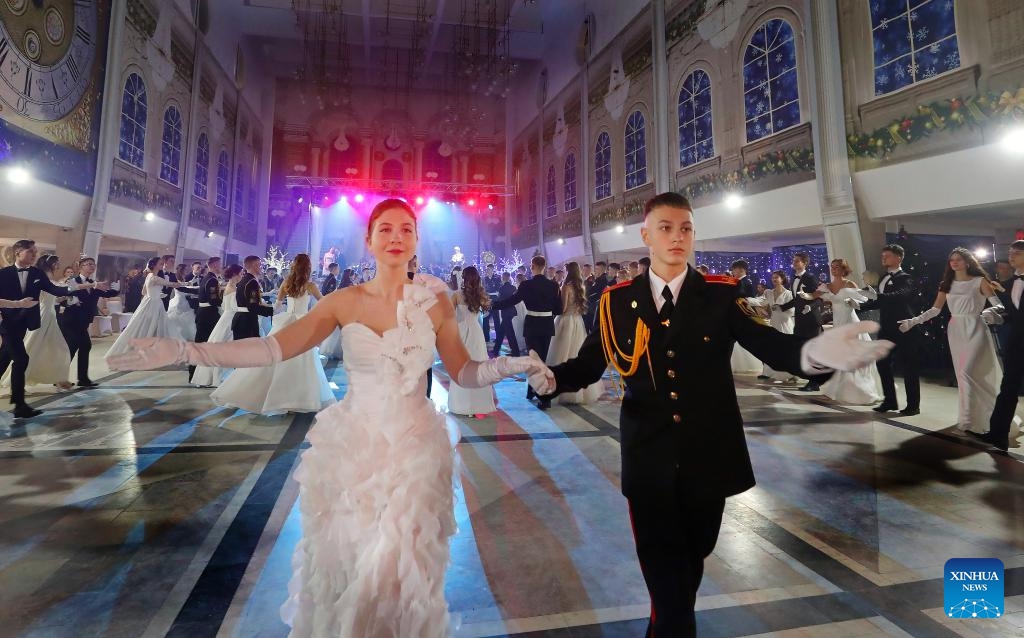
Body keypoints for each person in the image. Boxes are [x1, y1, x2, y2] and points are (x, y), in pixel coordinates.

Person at [107, 198, 551, 635]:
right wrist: (187, 349)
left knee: (402, 570)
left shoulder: (436, 304)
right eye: (386, 229)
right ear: (369, 240)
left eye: (406, 230)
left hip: (416, 450)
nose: (396, 237)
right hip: (353, 449)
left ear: (417, 240)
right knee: (347, 564)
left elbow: (464, 371)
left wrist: (513, 366)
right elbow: (272, 347)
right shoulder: (343, 301)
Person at [528, 192, 892, 637]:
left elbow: (768, 345)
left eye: (685, 228)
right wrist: (554, 378)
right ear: (646, 235)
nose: (677, 237)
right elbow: (589, 363)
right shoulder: (617, 302)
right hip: (649, 455)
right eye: (665, 227)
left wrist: (816, 353)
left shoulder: (720, 295)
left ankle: (671, 620)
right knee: (663, 564)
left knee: (694, 553)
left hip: (709, 453)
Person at [897, 248, 1004, 434]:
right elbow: (935, 310)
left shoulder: (980, 281)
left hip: (976, 327)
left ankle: (978, 420)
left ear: (968, 262)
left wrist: (989, 312)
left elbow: (999, 304)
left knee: (969, 373)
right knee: (964, 376)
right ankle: (971, 419)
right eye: (952, 260)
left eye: (959, 260)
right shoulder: (946, 284)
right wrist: (912, 321)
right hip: (955, 329)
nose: (954, 263)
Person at [212, 254, 334, 414]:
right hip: (302, 324)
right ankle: (298, 398)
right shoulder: (310, 285)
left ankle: (261, 394)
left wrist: (276, 311)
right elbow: (323, 302)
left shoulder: (286, 283)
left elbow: (277, 306)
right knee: (303, 362)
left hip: (285, 323)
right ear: (308, 267)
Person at [0, 240, 92, 418]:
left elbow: (56, 290)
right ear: (18, 252)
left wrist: (85, 285)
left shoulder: (37, 273)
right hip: (8, 324)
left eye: (35, 252)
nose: (34, 255)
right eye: (30, 251)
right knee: (21, 359)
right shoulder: (3, 274)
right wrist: (16, 304)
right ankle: (19, 405)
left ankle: (19, 403)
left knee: (4, 358)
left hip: (25, 324)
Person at [858, 244, 921, 416]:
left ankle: (913, 405)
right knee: (882, 363)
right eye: (883, 255)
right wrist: (859, 306)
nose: (883, 258)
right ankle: (890, 401)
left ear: (898, 258)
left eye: (887, 255)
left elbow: (901, 295)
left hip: (904, 326)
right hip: (886, 327)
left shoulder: (907, 277)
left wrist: (876, 296)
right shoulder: (884, 277)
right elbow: (881, 301)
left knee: (909, 367)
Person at [492, 254, 562, 409]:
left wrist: (492, 305)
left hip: (532, 325)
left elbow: (511, 301)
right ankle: (534, 391)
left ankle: (543, 397)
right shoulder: (554, 285)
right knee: (542, 359)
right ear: (544, 267)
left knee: (533, 360)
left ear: (532, 266)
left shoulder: (526, 285)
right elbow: (559, 308)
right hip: (547, 325)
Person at [812, 259, 882, 405]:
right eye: (832, 267)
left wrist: (853, 302)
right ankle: (837, 390)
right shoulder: (828, 286)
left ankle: (862, 391)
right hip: (838, 324)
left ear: (843, 269)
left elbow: (864, 300)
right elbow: (815, 296)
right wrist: (809, 296)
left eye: (836, 267)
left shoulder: (849, 284)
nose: (833, 270)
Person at [1, 254, 75, 390]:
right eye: (57, 262)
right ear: (51, 264)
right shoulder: (40, 276)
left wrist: (62, 297)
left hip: (51, 315)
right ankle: (15, 382)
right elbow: (41, 297)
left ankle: (59, 378)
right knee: (31, 347)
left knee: (58, 348)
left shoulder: (49, 276)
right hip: (41, 314)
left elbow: (52, 297)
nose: (59, 265)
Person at [976, 240, 1024, 451]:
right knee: (1008, 388)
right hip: (1017, 341)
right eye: (1010, 252)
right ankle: (998, 434)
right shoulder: (1012, 282)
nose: (1011, 256)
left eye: (1016, 253)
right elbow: (1014, 313)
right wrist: (997, 316)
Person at [104, 257, 182, 360]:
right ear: (154, 265)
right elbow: (173, 284)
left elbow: (143, 292)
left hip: (148, 302)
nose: (162, 265)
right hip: (155, 304)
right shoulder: (155, 278)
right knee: (154, 326)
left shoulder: (149, 276)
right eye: (160, 263)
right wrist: (186, 284)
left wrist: (154, 294)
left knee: (145, 326)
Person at [546, 262, 603, 404]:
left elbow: (563, 309)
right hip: (577, 321)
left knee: (561, 354)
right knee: (576, 353)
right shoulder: (581, 286)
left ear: (568, 271)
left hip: (565, 321)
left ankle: (559, 387)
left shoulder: (567, 286)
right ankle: (577, 390)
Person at [63, 256, 120, 387]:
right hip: (71, 321)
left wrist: (117, 289)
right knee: (72, 348)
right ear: (80, 267)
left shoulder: (93, 283)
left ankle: (82, 379)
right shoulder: (73, 280)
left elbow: (106, 293)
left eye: (93, 264)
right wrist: (72, 302)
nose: (92, 266)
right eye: (88, 264)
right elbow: (68, 295)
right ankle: (61, 378)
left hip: (84, 321)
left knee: (83, 346)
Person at [447, 266, 495, 416]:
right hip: (476, 332)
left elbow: (447, 315)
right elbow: (487, 311)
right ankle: (479, 405)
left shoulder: (456, 295)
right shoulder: (480, 295)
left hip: (461, 332)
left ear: (464, 278)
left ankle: (462, 405)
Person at [192, 265, 243, 387]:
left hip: (226, 318)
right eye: (241, 273)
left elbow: (225, 306)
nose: (242, 276)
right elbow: (234, 307)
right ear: (235, 274)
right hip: (230, 319)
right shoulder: (232, 288)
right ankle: (220, 376)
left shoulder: (230, 287)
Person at [779, 252, 823, 391]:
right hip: (799, 319)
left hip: (811, 319)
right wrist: (782, 307)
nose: (794, 263)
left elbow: (819, 297)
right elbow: (796, 299)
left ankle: (815, 383)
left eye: (797, 261)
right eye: (793, 261)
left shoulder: (810, 277)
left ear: (804, 263)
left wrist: (810, 307)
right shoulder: (793, 278)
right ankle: (810, 379)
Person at [750, 270, 796, 382]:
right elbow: (760, 301)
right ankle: (768, 372)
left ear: (782, 279)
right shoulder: (769, 292)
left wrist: (780, 308)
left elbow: (792, 311)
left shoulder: (788, 294)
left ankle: (789, 374)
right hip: (774, 322)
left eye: (777, 277)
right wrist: (746, 300)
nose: (774, 279)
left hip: (785, 323)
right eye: (773, 277)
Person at [190, 257, 224, 382]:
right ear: (214, 265)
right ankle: (197, 374)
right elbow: (213, 299)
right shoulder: (212, 280)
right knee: (204, 343)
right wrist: (225, 300)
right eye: (219, 265)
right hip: (208, 315)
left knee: (201, 343)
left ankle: (196, 373)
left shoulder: (206, 278)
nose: (221, 267)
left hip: (203, 313)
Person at [729, 260, 762, 375]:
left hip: (742, 314)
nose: (732, 271)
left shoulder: (745, 282)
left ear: (741, 269)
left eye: (734, 269)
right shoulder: (740, 281)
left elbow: (748, 298)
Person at [233, 256, 275, 340]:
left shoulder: (244, 279)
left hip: (240, 319)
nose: (262, 268)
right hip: (247, 322)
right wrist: (272, 311)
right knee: (249, 350)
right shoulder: (252, 282)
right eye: (260, 265)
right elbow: (253, 306)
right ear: (254, 265)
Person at [491, 271, 520, 357]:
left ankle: (515, 352)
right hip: (512, 311)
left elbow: (500, 301)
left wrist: (493, 304)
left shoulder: (501, 288)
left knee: (510, 333)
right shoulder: (513, 288)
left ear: (503, 278)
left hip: (505, 312)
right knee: (501, 331)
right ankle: (496, 349)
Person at [482, 263, 502, 343]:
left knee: (496, 320)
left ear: (493, 270)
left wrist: (491, 293)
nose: (488, 271)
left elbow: (498, 290)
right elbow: (483, 289)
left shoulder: (497, 278)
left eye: (490, 269)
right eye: (487, 269)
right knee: (485, 319)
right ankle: (486, 337)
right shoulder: (484, 279)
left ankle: (498, 338)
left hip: (495, 302)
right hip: (486, 301)